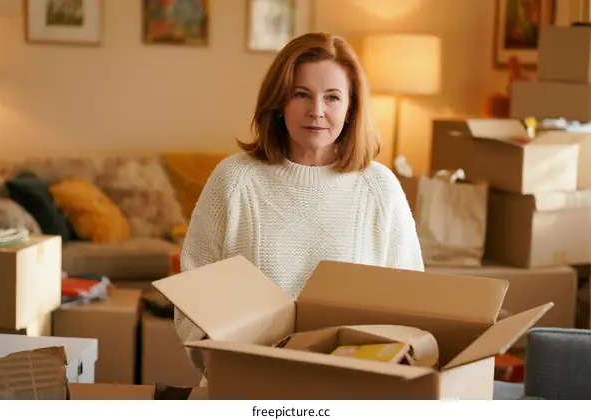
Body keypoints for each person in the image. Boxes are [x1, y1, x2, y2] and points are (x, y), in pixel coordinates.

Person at [174, 32, 424, 385]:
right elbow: (192, 288)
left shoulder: (381, 189)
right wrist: (212, 356)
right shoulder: (234, 179)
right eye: (301, 94)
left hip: (349, 387)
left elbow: (411, 303)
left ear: (351, 107)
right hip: (244, 383)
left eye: (333, 97)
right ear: (279, 102)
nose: (317, 111)